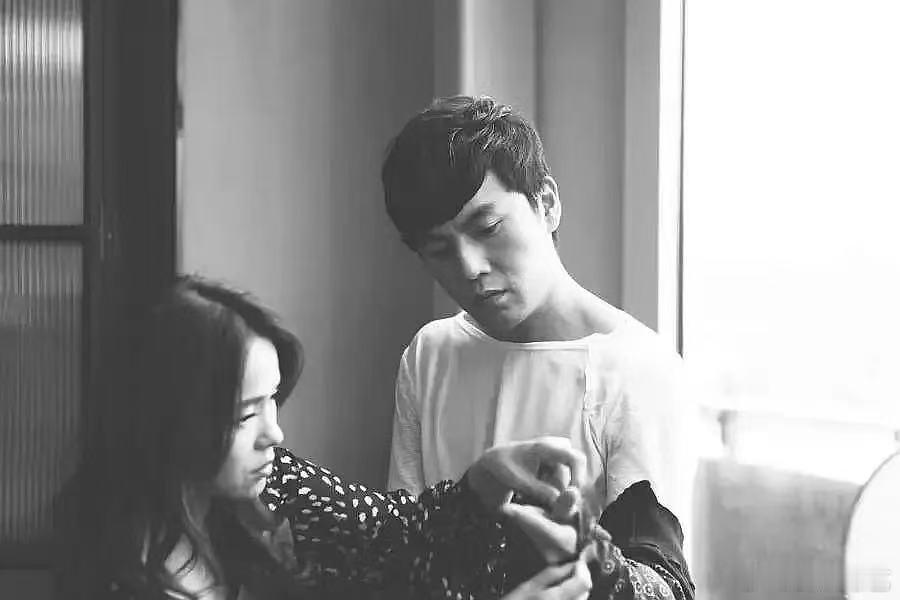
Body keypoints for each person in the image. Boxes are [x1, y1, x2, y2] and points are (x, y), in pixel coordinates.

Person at [55, 275, 599, 600]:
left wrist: (483, 482)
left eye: (273, 399)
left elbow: (390, 534)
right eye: (245, 415)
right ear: (172, 424)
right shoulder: (117, 577)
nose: (275, 433)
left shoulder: (271, 485)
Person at [381, 95, 696, 598]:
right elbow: (401, 551)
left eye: (488, 228)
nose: (469, 268)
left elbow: (663, 587)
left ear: (546, 204)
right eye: (438, 250)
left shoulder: (637, 370)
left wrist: (594, 560)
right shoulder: (430, 354)